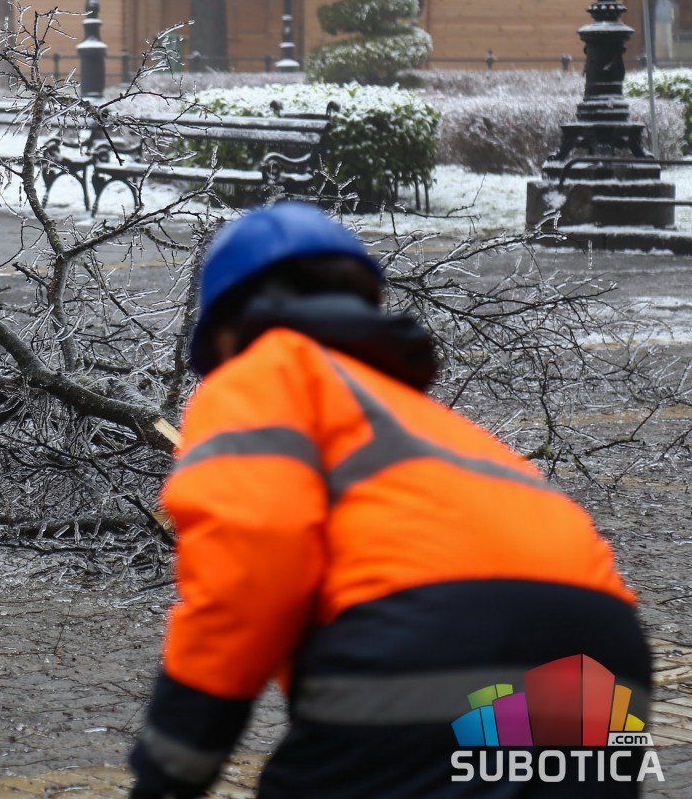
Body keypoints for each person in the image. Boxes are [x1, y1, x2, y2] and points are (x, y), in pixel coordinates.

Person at [129, 203, 651, 797]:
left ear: (228, 326)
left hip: (430, 641)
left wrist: (173, 762)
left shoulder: (267, 370)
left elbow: (253, 549)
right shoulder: (428, 422)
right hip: (607, 659)